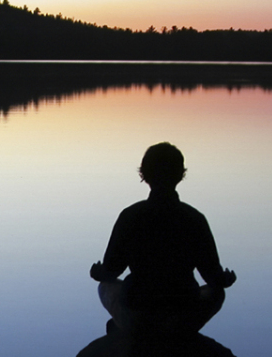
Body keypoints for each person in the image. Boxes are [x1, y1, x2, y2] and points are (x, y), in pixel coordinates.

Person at [90, 142, 236, 334]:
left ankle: (128, 326)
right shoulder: (194, 218)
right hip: (183, 308)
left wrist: (98, 273)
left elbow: (112, 271)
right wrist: (226, 278)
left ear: (144, 174)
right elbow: (212, 276)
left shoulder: (131, 216)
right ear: (180, 175)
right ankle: (176, 330)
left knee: (105, 286)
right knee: (216, 293)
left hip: (139, 306)